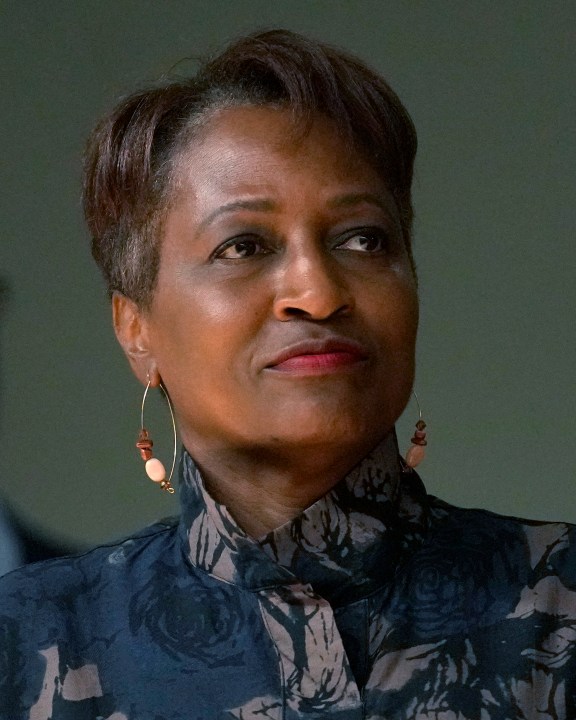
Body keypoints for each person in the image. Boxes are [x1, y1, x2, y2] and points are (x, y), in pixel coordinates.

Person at [1, 29, 575, 720]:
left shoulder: (559, 603)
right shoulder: (31, 643)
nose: (318, 289)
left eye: (362, 238)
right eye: (243, 245)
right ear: (136, 330)